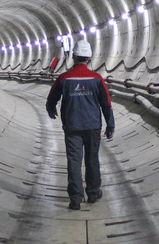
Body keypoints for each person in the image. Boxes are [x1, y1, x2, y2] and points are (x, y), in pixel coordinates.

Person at [46, 39, 115, 210]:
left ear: (74, 57)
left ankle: (75, 199)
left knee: (74, 161)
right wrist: (110, 125)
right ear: (89, 58)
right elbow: (106, 103)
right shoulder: (97, 79)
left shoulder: (64, 78)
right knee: (92, 159)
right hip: (93, 127)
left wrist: (51, 109)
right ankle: (93, 192)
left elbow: (52, 97)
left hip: (72, 127)